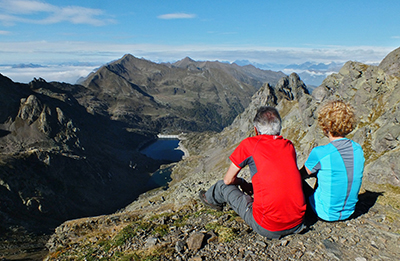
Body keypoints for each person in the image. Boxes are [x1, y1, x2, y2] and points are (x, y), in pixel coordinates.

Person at [199, 106, 306, 239]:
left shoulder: (250, 144)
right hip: (297, 222)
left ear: (256, 129)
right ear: (279, 127)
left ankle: (209, 199)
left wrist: (242, 182)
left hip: (269, 226)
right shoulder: (289, 145)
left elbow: (228, 180)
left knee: (222, 186)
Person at [300, 100, 365, 222]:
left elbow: (300, 175)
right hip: (350, 212)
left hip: (324, 214)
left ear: (325, 126)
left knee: (296, 181)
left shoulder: (321, 152)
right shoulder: (358, 149)